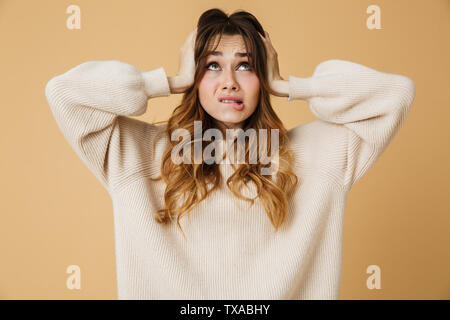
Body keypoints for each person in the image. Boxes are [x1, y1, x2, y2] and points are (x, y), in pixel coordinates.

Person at [45, 8, 416, 299]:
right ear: (194, 76)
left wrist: (287, 85)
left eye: (245, 65)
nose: (229, 82)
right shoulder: (140, 153)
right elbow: (64, 94)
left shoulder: (313, 155)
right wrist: (169, 80)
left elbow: (395, 94)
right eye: (211, 65)